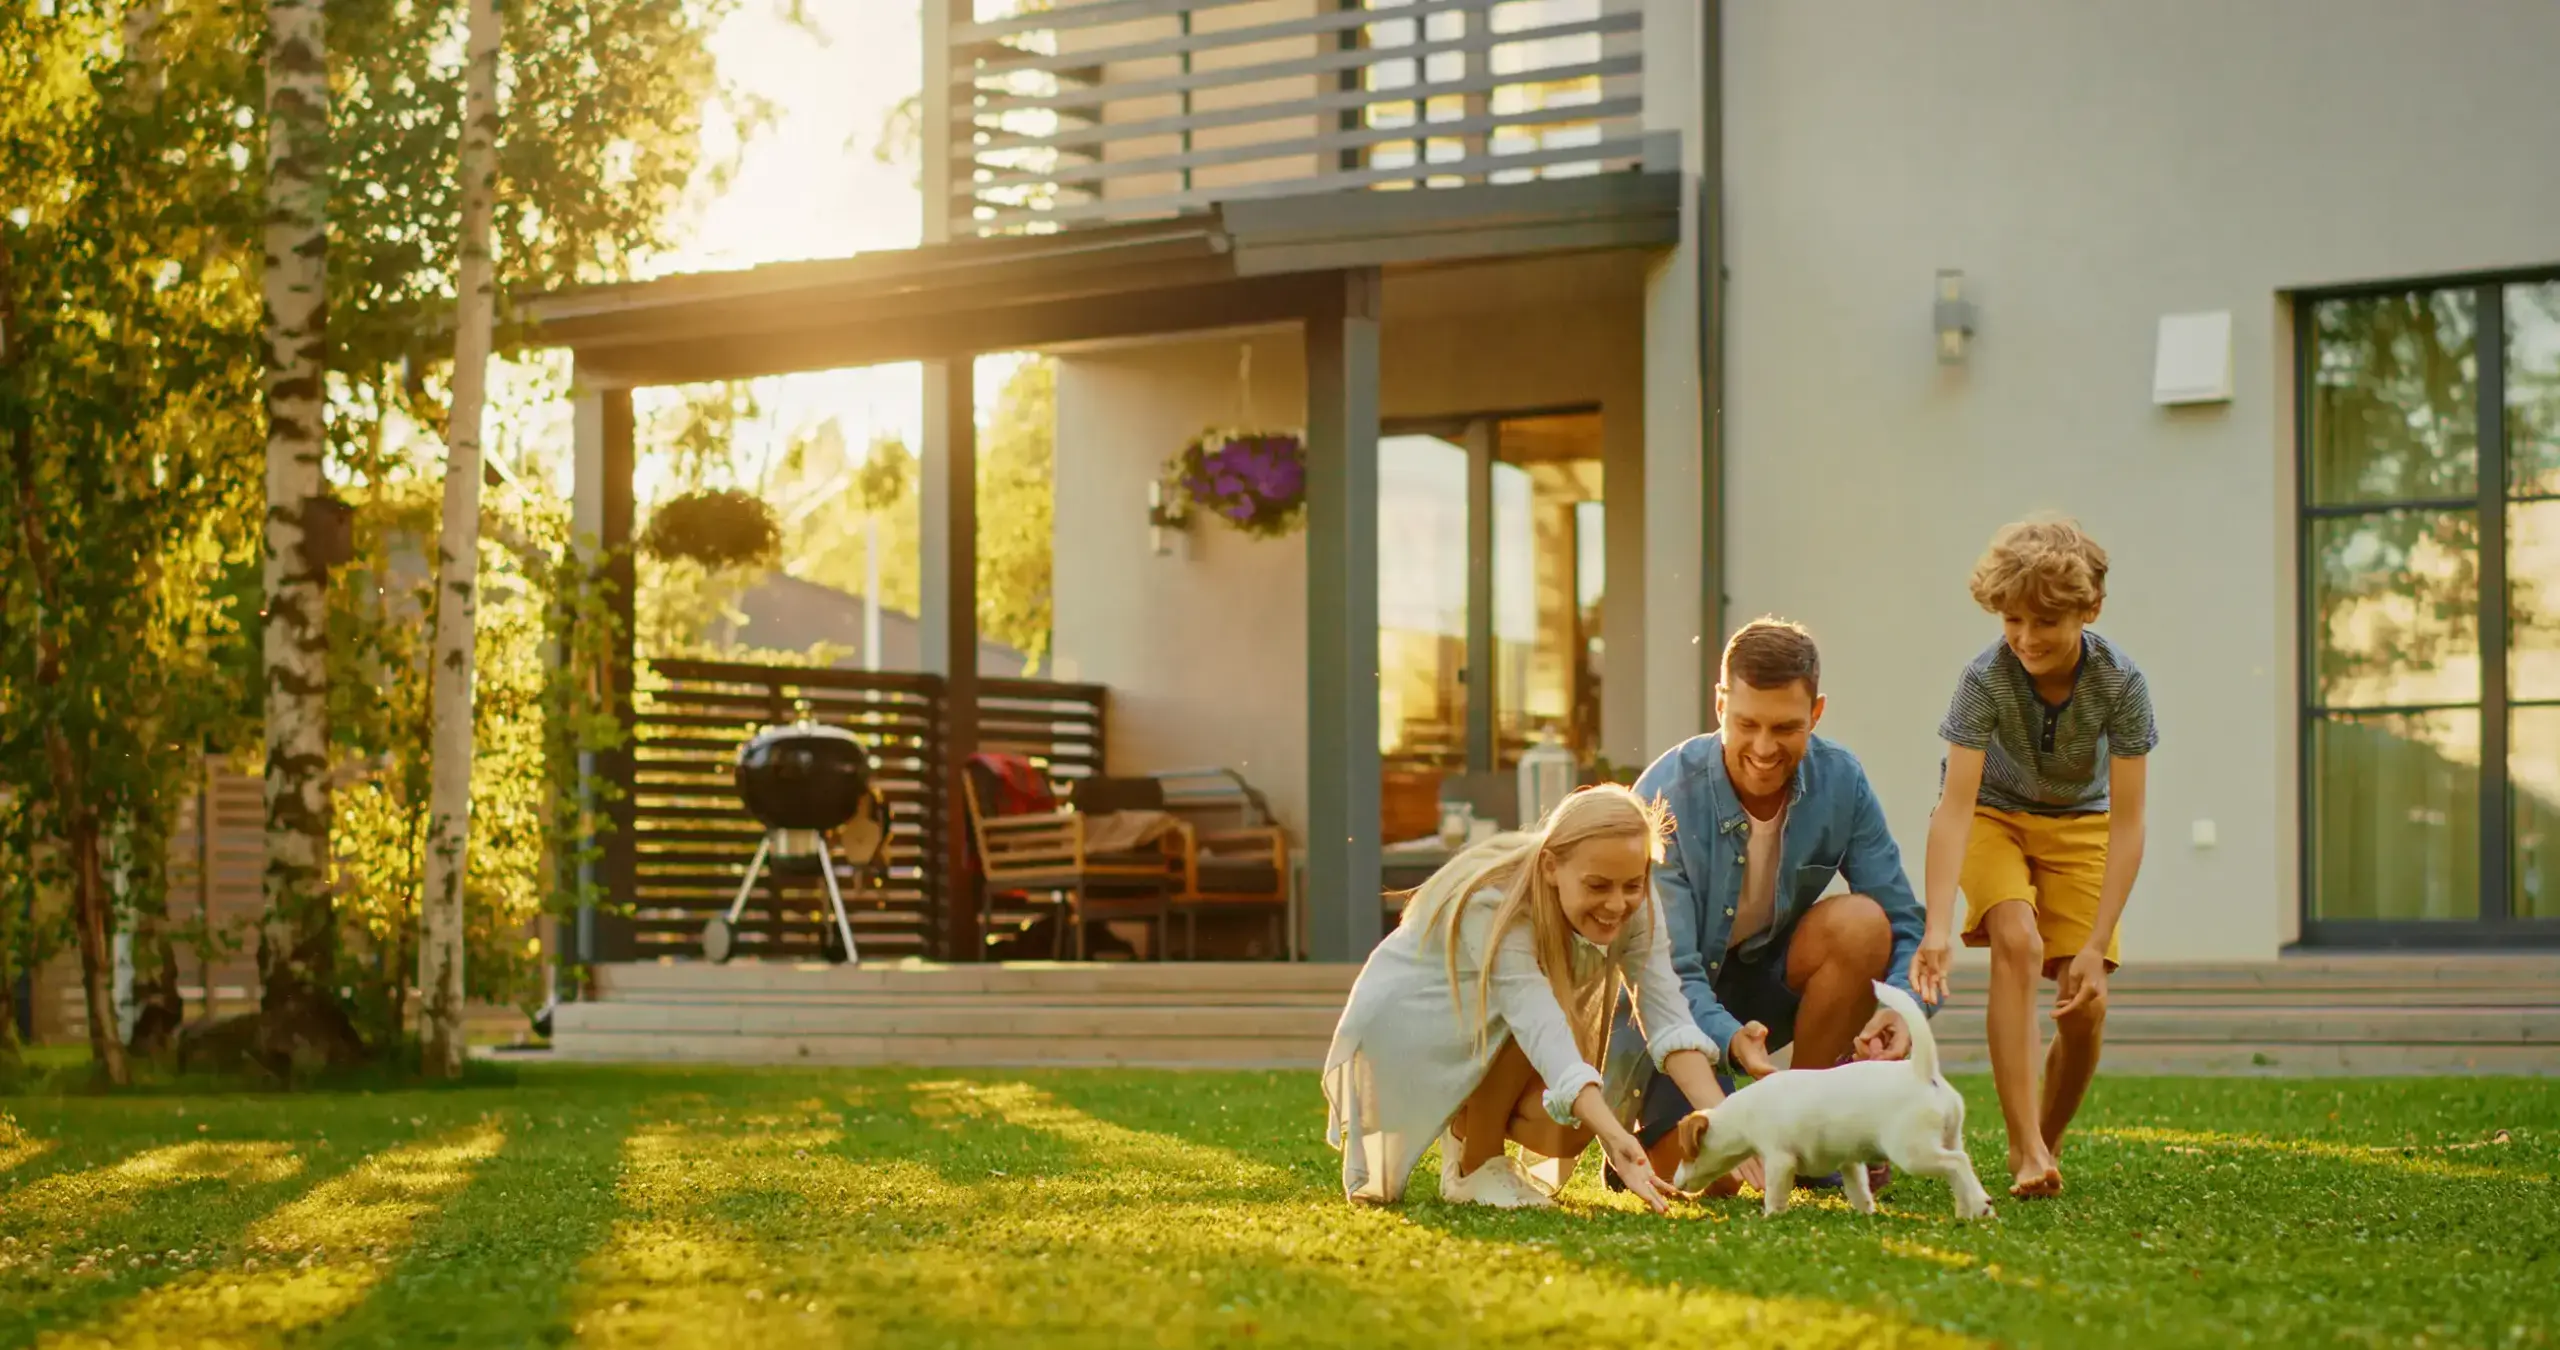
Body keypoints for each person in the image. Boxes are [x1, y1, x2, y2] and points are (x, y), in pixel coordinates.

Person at [1617, 617, 1931, 1193]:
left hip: (1766, 981)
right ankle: (1657, 1133)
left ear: (1817, 713)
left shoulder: (1842, 781)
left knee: (1862, 924)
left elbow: (1904, 921)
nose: (1764, 748)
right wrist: (1730, 1038)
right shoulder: (1664, 794)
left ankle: (1810, 1132)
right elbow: (1670, 973)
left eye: (1786, 727)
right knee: (1717, 1182)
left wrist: (1905, 1009)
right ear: (1719, 706)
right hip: (1671, 1008)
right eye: (1747, 724)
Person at [1322, 784, 1726, 1212]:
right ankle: (1474, 1165)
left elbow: (1667, 1016)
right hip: (1411, 1024)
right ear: (1551, 866)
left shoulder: (1633, 899)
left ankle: (1467, 1128)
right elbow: (1536, 1024)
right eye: (1598, 885)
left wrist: (1735, 1126)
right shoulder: (1496, 904)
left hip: (1493, 1026)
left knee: (1565, 1130)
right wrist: (1615, 1135)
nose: (1618, 902)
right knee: (1551, 1048)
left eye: (1633, 883)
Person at [1910, 517, 2157, 1200]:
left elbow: (2130, 821)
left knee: (2085, 1006)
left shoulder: (2120, 684)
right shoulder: (1985, 680)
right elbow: (1954, 808)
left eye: (2045, 622)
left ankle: (2045, 1142)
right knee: (2015, 938)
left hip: (2083, 824)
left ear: (2090, 610)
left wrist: (2098, 940)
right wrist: (1937, 926)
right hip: (1994, 817)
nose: (2024, 638)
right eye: (2012, 620)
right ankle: (2022, 1146)